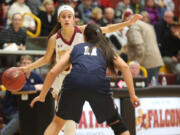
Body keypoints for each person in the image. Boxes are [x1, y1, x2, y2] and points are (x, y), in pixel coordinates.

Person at [21, 4, 142, 135]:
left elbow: (107, 28)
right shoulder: (54, 39)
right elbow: (46, 60)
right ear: (59, 19)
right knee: (66, 121)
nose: (67, 19)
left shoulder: (83, 31)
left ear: (74, 19)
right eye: (64, 17)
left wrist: (128, 23)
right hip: (62, 78)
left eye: (69, 16)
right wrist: (28, 67)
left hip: (76, 79)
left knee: (62, 121)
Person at [0, 55, 43, 135]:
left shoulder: (35, 76)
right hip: (12, 109)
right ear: (20, 65)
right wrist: (34, 87)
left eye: (28, 63)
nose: (26, 65)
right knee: (22, 117)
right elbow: (18, 89)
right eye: (24, 63)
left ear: (33, 65)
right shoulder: (14, 75)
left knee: (39, 116)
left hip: (28, 108)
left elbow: (44, 84)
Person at [126, 13, 164, 83]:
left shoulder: (133, 27)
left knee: (143, 88)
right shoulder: (147, 25)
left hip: (145, 63)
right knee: (153, 86)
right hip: (155, 60)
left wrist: (136, 63)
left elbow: (139, 46)